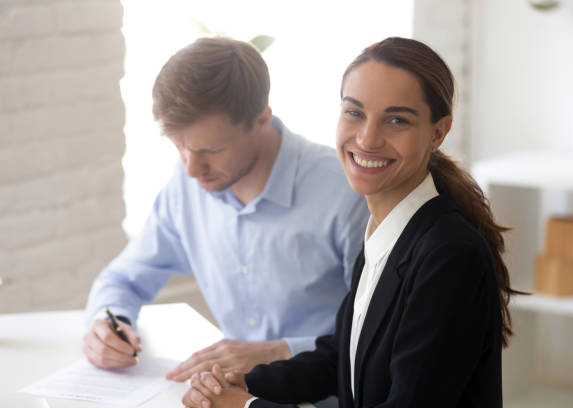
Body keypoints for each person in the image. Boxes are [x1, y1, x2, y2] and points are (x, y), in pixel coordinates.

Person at [182, 37, 520, 408]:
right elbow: (340, 357)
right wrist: (241, 382)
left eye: (396, 120)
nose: (367, 138)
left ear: (438, 132)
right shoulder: (383, 232)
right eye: (354, 113)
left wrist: (246, 406)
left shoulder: (450, 256)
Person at [82, 36, 369, 392]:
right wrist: (109, 323)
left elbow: (381, 337)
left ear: (262, 116)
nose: (191, 169)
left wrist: (279, 352)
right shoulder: (187, 186)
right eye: (179, 147)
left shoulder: (348, 195)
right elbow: (123, 279)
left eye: (211, 150)